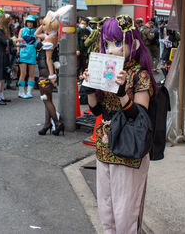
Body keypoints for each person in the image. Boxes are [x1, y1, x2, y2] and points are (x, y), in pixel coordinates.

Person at [82, 15, 156, 233]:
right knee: (106, 210)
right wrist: (89, 87)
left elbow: (139, 116)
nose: (111, 49)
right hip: (105, 146)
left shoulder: (139, 74)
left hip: (128, 147)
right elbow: (96, 110)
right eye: (107, 43)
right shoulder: (107, 67)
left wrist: (122, 91)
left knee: (125, 214)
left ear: (133, 43)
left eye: (117, 43)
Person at [34, 14, 64, 136]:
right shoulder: (50, 36)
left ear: (50, 26)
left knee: (45, 99)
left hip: (46, 72)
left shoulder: (49, 39)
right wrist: (43, 24)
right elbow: (36, 34)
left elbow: (49, 59)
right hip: (46, 71)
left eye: (45, 24)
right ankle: (47, 125)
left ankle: (57, 123)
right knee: (48, 99)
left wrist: (52, 76)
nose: (43, 26)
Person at [17, 15, 37, 99]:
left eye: (31, 22)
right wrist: (18, 51)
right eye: (28, 22)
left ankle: (29, 92)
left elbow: (38, 43)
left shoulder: (36, 31)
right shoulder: (22, 30)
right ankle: (21, 92)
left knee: (32, 74)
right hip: (23, 53)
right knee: (23, 73)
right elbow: (18, 42)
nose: (30, 24)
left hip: (32, 54)